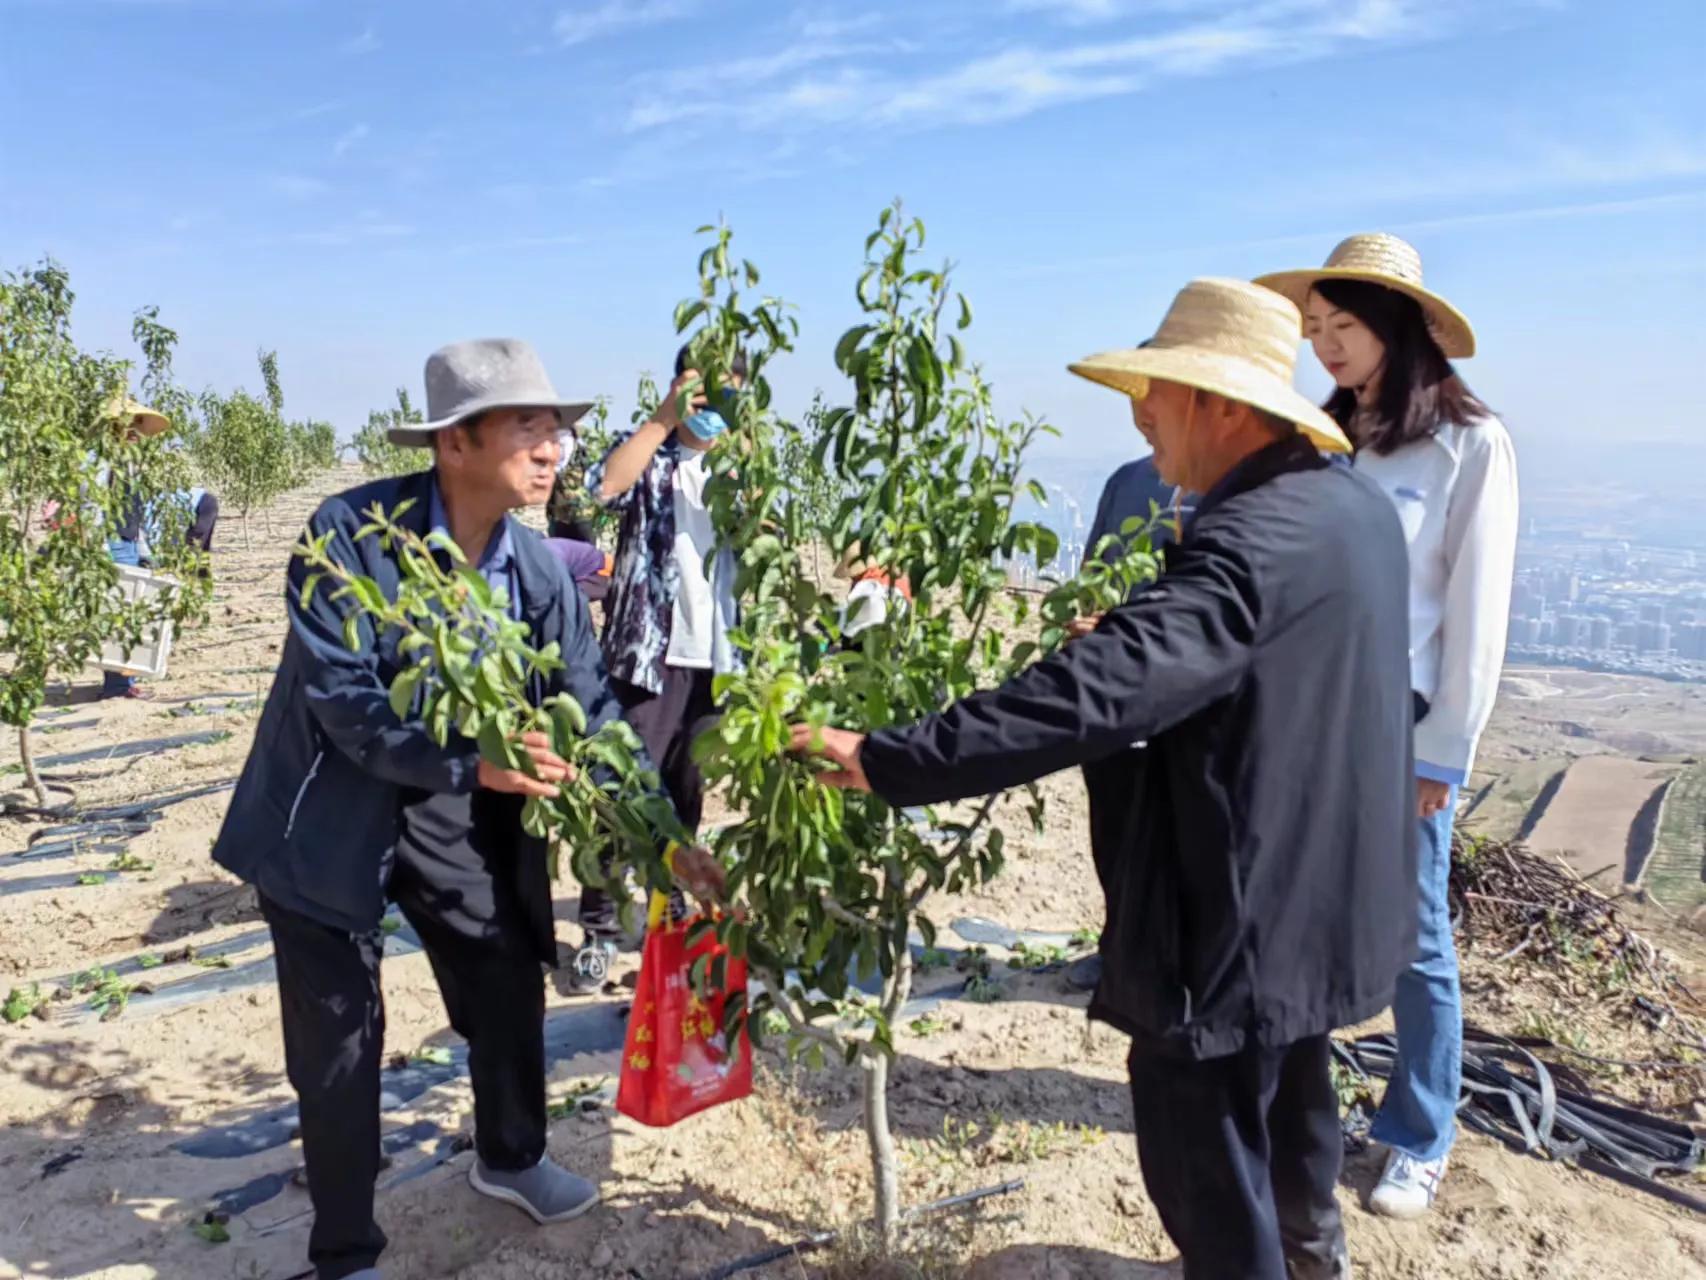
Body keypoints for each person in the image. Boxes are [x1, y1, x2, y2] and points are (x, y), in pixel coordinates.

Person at [790, 279, 1417, 1280]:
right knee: (1297, 1113)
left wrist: (884, 757)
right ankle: (1312, 1263)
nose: (1141, 414)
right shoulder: (1347, 507)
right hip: (1323, 899)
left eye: (1157, 392)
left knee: (1209, 1169)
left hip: (1235, 922)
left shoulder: (1245, 540)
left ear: (1218, 403)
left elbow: (1086, 698)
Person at [209, 338, 722, 1280]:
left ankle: (512, 1155)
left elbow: (598, 716)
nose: (554, 447)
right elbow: (348, 707)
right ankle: (347, 1250)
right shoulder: (348, 537)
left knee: (506, 970)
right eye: (528, 426)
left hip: (457, 807)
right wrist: (473, 760)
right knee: (339, 1041)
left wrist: (666, 846)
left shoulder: (535, 573)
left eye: (557, 428)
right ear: (455, 443)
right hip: (330, 814)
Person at [1257, 233, 1518, 1219]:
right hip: (1308, 707)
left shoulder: (1467, 443)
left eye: (1342, 325)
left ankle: (1416, 1132)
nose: (1322, 344)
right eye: (1313, 327)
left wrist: (1442, 749)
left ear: (1395, 327)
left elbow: (1473, 615)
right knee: (1301, 912)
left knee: (1410, 932)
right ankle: (1308, 1110)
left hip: (1399, 716)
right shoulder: (1321, 438)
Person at [569, 345, 743, 987]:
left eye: (728, 393)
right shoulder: (651, 456)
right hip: (648, 656)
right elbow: (600, 488)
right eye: (702, 390)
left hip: (716, 661)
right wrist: (663, 418)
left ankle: (664, 920)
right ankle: (600, 930)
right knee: (620, 795)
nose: (712, 407)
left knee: (685, 798)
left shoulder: (738, 473)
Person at [1064, 451, 1194, 992]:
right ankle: (1117, 950)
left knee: (1177, 840)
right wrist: (1084, 620)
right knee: (1112, 828)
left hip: (1180, 700)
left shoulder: (1225, 488)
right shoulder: (1127, 481)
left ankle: (1173, 965)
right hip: (1111, 694)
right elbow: (1092, 574)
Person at [99, 399, 170, 700]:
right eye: (132, 425)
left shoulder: (129, 464)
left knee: (132, 613)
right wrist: (101, 549)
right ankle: (116, 686)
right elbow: (92, 508)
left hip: (127, 541)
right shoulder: (101, 463)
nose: (136, 433)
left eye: (139, 426)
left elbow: (133, 512)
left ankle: (124, 682)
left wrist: (143, 548)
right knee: (119, 612)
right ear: (116, 426)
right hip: (112, 541)